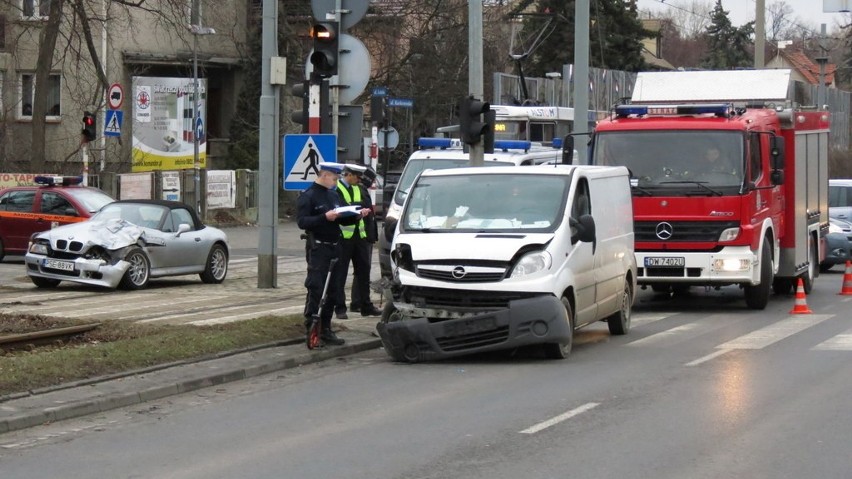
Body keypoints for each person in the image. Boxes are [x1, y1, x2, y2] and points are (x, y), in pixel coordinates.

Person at [296, 162, 368, 346]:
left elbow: (343, 216)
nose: (336, 182)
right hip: (318, 247)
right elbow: (303, 221)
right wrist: (324, 217)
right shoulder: (309, 196)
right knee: (317, 288)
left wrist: (357, 215)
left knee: (334, 290)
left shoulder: (333, 195)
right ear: (325, 175)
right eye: (334, 179)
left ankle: (326, 329)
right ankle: (312, 329)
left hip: (336, 246)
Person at [329, 164, 382, 319]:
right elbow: (339, 209)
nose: (359, 181)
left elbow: (367, 210)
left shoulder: (359, 188)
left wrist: (370, 235)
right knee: (340, 273)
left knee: (363, 272)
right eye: (357, 178)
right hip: (342, 237)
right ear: (349, 175)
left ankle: (365, 305)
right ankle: (340, 307)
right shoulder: (336, 188)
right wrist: (355, 210)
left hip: (360, 237)